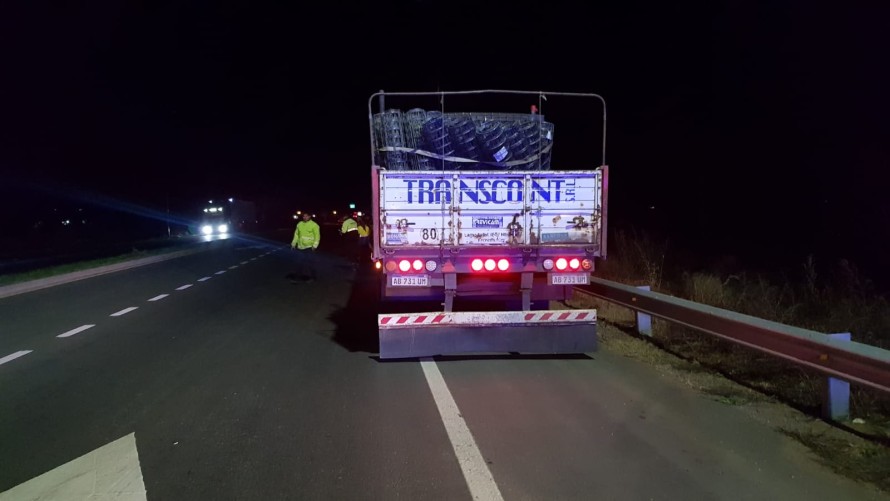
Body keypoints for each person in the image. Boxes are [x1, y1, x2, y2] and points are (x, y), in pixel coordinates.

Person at [290, 212, 320, 282]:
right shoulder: (299, 224)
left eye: (306, 216)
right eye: (303, 216)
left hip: (309, 247)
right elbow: (296, 235)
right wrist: (293, 244)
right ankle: (297, 277)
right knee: (299, 263)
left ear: (310, 216)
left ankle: (313, 277)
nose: (304, 217)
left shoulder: (314, 225)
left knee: (310, 263)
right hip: (300, 247)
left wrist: (315, 246)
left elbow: (317, 236)